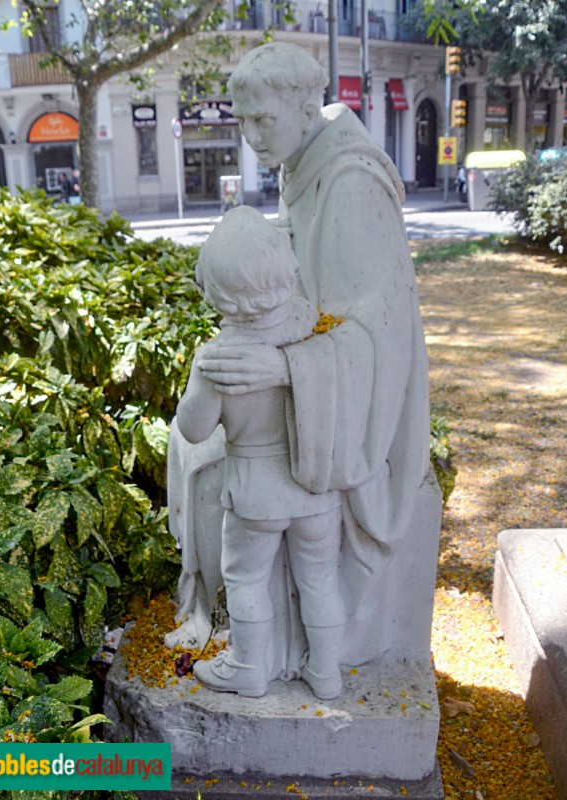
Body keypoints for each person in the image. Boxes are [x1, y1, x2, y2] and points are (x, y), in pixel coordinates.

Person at [167, 42, 432, 677]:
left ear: (305, 106)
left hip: (350, 412)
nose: (252, 136)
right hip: (309, 418)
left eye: (264, 121)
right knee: (198, 460)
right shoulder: (304, 163)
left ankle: (257, 660)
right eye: (243, 120)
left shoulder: (350, 186)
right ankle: (323, 666)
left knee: (205, 466)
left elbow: (380, 336)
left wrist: (286, 369)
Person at [176, 205, 345, 699]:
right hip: (315, 485)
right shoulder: (310, 325)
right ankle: (327, 673)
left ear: (217, 290)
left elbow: (193, 427)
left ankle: (249, 667)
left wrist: (201, 378)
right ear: (285, 267)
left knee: (246, 577)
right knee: (319, 579)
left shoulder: (218, 358)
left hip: (256, 492)